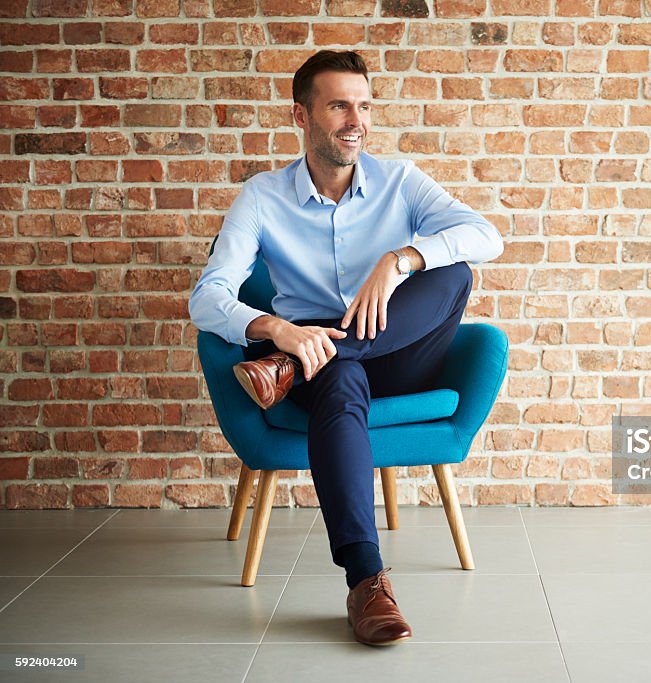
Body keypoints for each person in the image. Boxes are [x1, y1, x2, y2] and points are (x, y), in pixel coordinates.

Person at [188, 50, 503, 646]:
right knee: (334, 375)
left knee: (454, 272)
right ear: (301, 117)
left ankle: (301, 363)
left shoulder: (401, 181)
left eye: (362, 105)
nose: (355, 119)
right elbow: (208, 298)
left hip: (401, 353)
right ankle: (366, 581)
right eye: (338, 106)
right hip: (315, 362)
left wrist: (401, 257)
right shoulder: (262, 196)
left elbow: (487, 236)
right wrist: (277, 332)